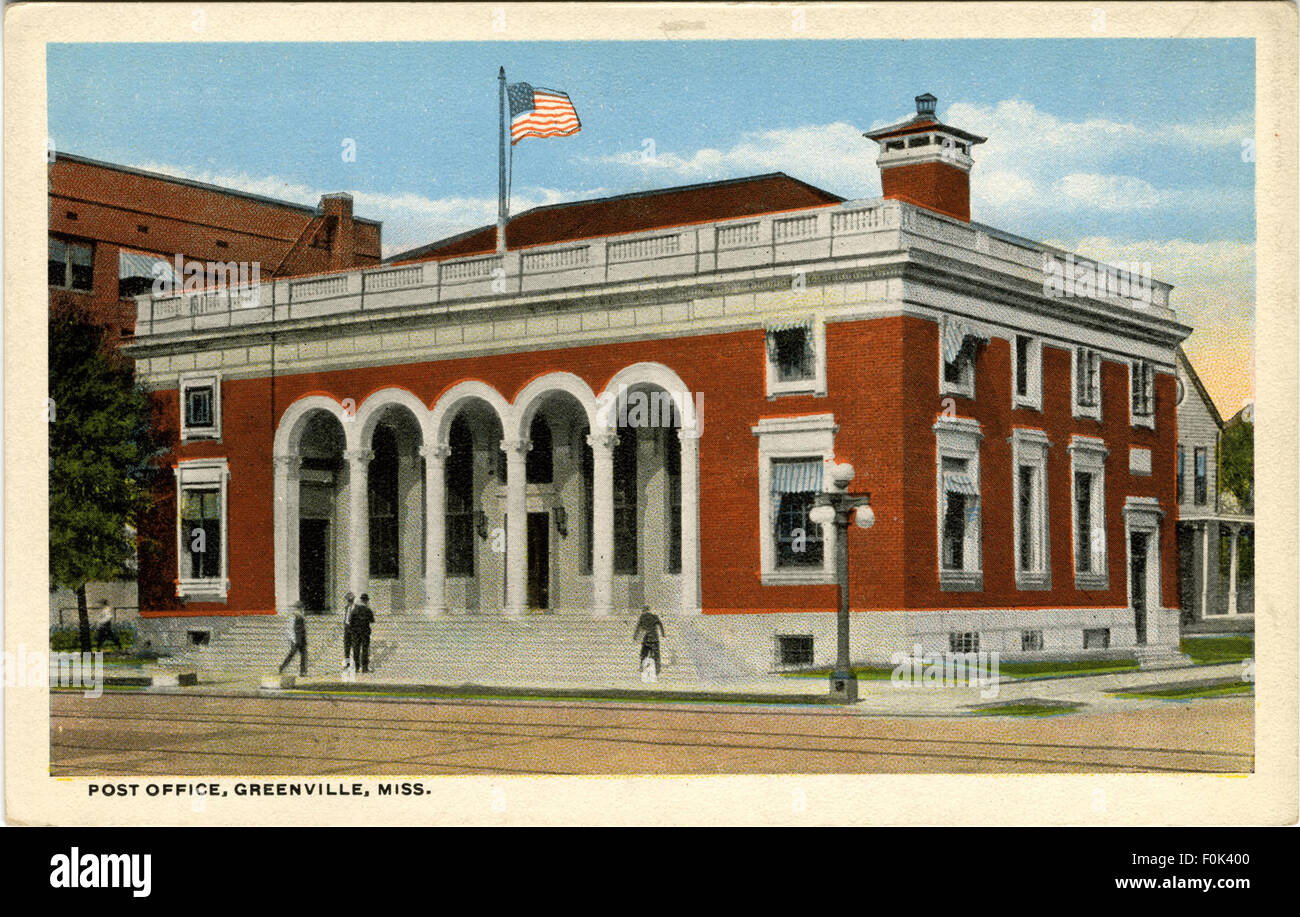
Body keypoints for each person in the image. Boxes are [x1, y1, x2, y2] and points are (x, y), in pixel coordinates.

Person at [632, 606, 665, 677]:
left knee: (643, 653)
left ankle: (641, 666)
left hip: (646, 638)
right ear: (649, 610)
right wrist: (663, 634)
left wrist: (635, 636)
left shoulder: (642, 617)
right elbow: (660, 625)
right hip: (654, 638)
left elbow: (638, 627)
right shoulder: (655, 616)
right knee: (656, 654)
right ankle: (658, 670)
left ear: (644, 611)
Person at [278, 606, 308, 676]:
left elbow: (303, 629)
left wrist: (304, 639)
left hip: (302, 639)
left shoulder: (301, 617)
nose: (301, 610)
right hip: (296, 639)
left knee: (304, 655)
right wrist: (293, 639)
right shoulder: (294, 617)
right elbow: (290, 629)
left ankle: (302, 671)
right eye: (300, 608)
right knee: (291, 654)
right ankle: (282, 667)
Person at [349, 593, 375, 673]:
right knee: (365, 650)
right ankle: (364, 668)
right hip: (365, 632)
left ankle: (356, 667)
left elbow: (350, 620)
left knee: (356, 649)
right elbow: (372, 620)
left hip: (356, 632)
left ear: (360, 600)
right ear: (366, 601)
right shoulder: (368, 610)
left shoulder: (355, 610)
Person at [341, 591, 356, 670]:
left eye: (349, 599)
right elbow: (345, 616)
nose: (348, 601)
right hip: (347, 628)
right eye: (347, 599)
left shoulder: (356, 608)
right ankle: (347, 664)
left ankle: (355, 665)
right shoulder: (346, 607)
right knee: (346, 648)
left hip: (353, 629)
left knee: (355, 648)